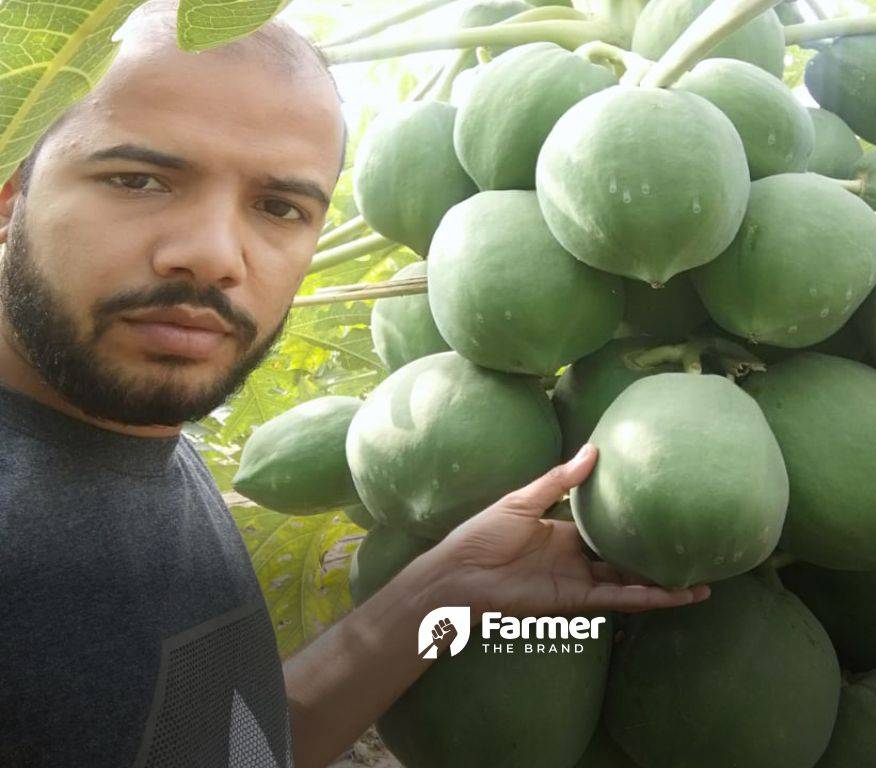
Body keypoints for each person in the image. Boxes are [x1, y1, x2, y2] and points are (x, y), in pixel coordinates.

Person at [0, 3, 710, 767]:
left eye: (279, 207)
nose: (212, 255)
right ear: (10, 197)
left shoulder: (135, 440)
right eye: (138, 179)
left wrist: (440, 593)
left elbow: (231, 746)